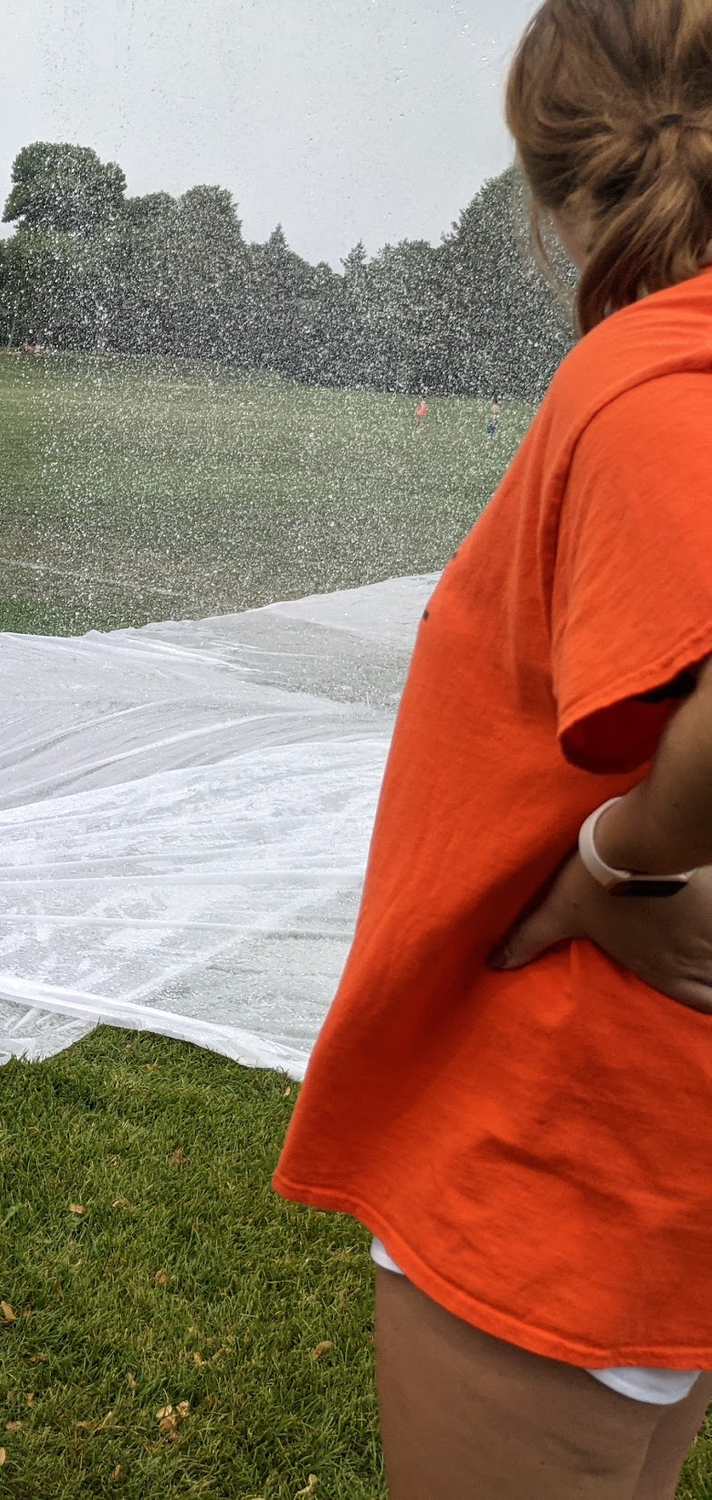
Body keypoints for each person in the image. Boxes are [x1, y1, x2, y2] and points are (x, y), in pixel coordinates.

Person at [273, 3, 712, 1495]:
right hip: (643, 1128)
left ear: (547, 177)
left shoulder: (656, 379)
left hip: (565, 1130)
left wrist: (606, 863)